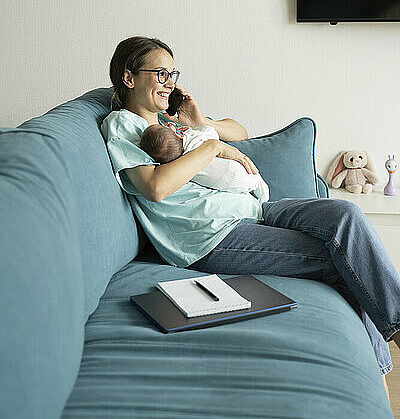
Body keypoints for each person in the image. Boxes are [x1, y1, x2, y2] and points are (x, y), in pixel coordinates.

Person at [101, 35, 400, 402]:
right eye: (160, 74)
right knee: (341, 262)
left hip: (251, 208)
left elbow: (240, 133)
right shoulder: (122, 126)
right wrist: (211, 147)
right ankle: (383, 369)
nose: (170, 82)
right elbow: (156, 187)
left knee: (346, 214)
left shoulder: (172, 122)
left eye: (172, 73)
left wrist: (200, 122)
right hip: (210, 236)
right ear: (129, 78)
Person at [138, 121, 270, 202]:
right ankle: (262, 201)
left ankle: (259, 202)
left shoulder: (181, 167)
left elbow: (242, 134)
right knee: (258, 184)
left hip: (228, 185)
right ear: (176, 133)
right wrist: (196, 126)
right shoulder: (193, 138)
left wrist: (199, 119)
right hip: (243, 171)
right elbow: (210, 132)